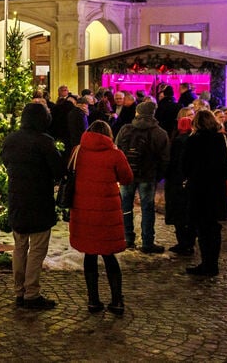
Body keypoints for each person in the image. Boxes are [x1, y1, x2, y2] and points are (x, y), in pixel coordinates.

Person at [2, 103, 64, 310]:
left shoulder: (12, 139)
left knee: (19, 247)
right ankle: (31, 293)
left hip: (17, 199)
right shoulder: (44, 141)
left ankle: (19, 290)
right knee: (37, 248)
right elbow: (58, 170)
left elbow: (6, 162)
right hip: (39, 201)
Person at [69, 120, 133, 315]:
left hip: (83, 209)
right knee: (108, 253)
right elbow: (127, 178)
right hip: (107, 211)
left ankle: (93, 300)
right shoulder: (115, 154)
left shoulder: (78, 151)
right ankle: (116, 300)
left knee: (89, 253)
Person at [183, 110, 227, 277]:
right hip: (216, 188)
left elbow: (185, 165)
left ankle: (207, 264)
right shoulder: (220, 138)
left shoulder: (193, 140)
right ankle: (212, 263)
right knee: (213, 227)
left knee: (203, 228)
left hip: (199, 188)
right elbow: (226, 163)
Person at [115, 100, 170, 253]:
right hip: (148, 175)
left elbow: (117, 150)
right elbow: (165, 158)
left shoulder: (125, 129)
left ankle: (127, 238)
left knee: (125, 206)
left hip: (127, 174)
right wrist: (158, 176)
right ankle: (147, 241)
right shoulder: (159, 133)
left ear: (138, 113)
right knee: (147, 208)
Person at [165, 117, 196, 255]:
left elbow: (174, 161)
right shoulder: (194, 139)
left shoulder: (178, 141)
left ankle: (183, 243)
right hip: (189, 180)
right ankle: (189, 241)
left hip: (177, 181)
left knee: (179, 213)